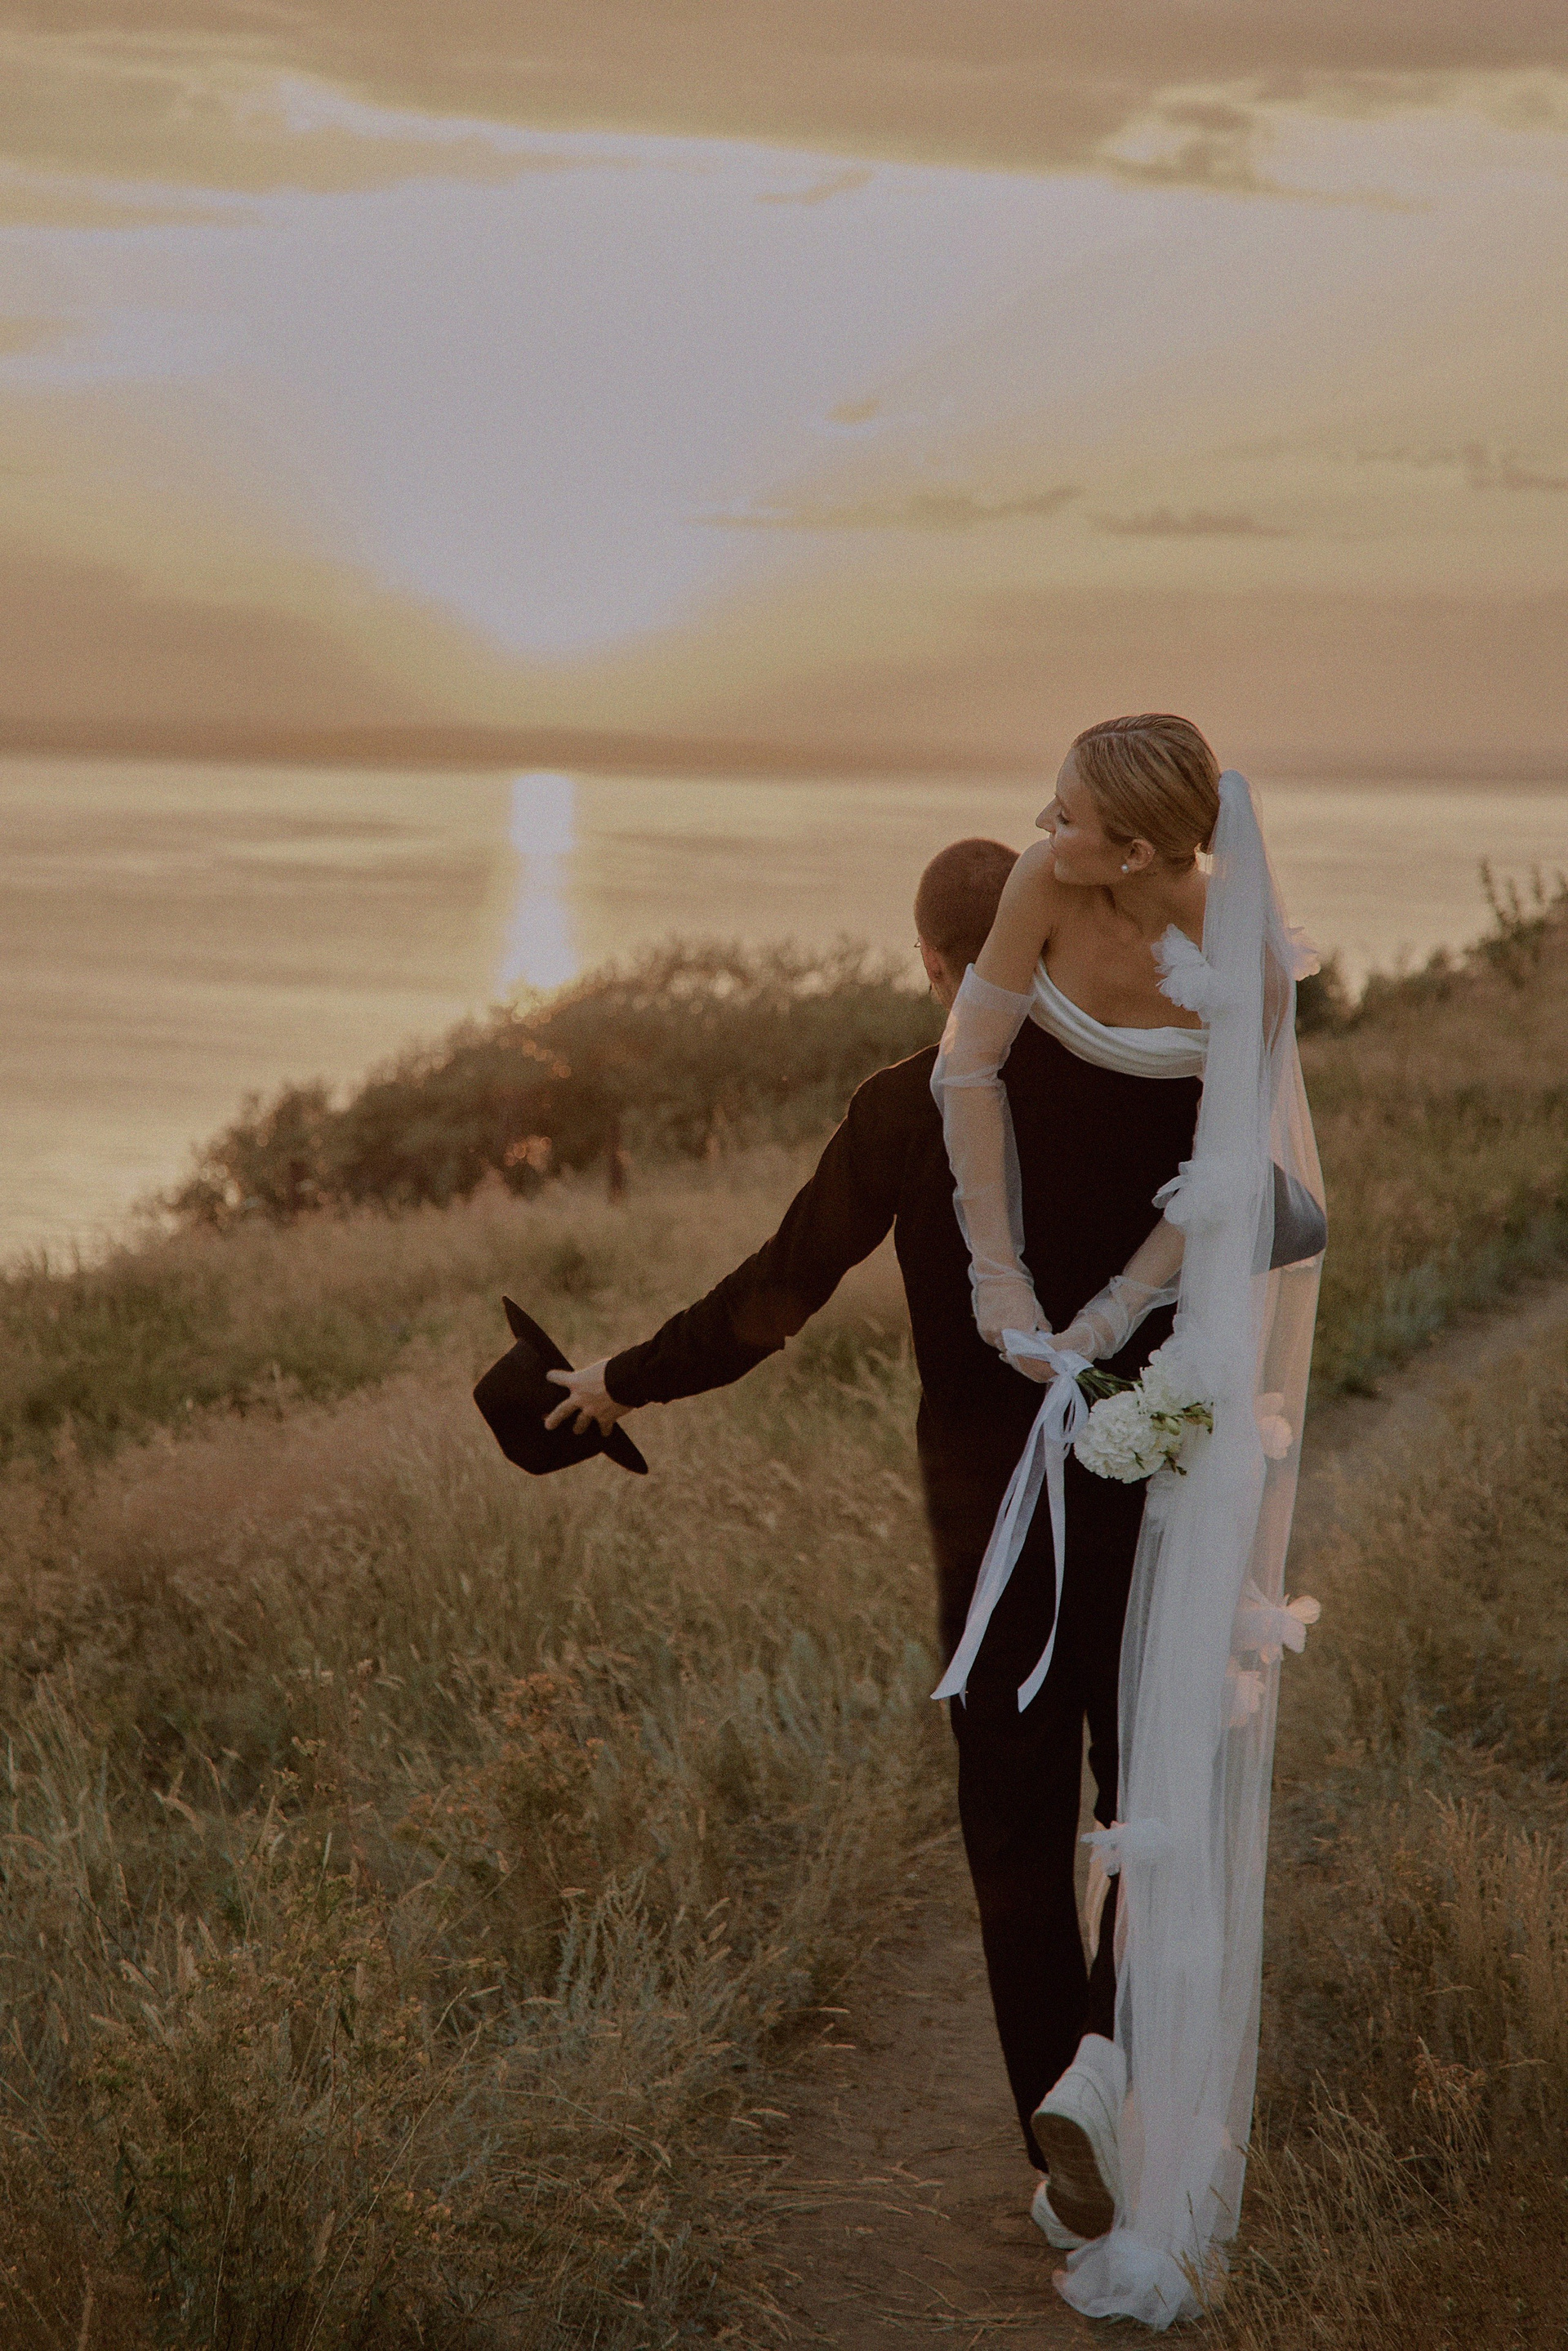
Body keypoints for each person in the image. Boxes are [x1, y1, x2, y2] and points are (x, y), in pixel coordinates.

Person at [542, 829, 1205, 2249]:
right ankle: (1110, 2060)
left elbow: (775, 1294)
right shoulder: (1159, 1081)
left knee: (1016, 1833)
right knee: (1149, 1801)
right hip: (1151, 1493)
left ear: (933, 961)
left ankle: (1062, 2144)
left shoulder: (909, 1101)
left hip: (989, 1523)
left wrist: (620, 1381)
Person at [930, 714, 1325, 2327]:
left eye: (1071, 814)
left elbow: (1226, 1188)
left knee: (1156, 1717)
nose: (1043, 827)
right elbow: (965, 1068)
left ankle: (1107, 2060)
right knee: (1040, 1708)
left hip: (1170, 1352)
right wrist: (1003, 1278)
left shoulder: (1253, 968)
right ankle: (1083, 2075)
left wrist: (1110, 1315)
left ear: (1147, 850)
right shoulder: (1040, 890)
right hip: (1025, 1310)